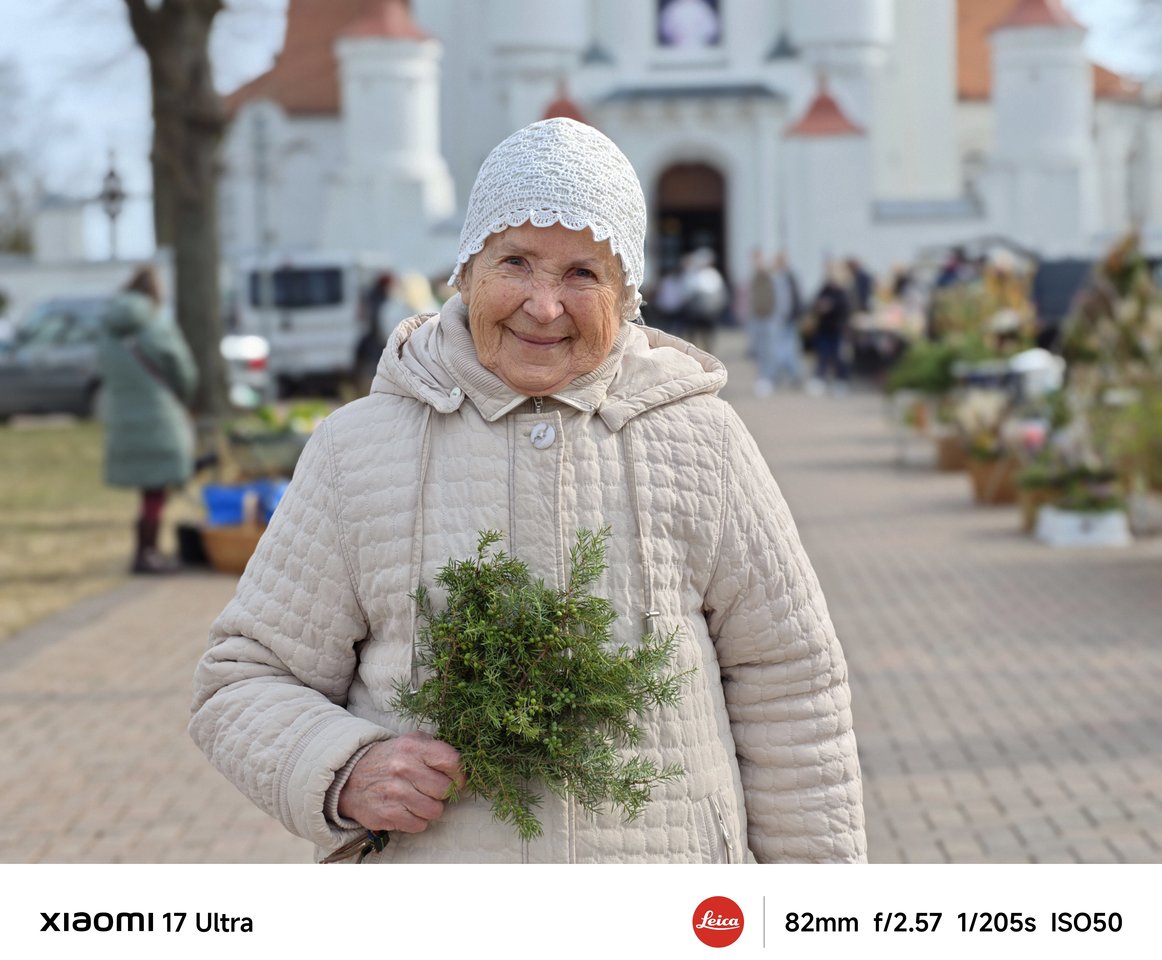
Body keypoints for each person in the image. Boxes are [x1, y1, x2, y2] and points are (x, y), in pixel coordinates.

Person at [190, 117, 865, 864]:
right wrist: (342, 768)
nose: (544, 306)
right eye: (516, 262)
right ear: (467, 271)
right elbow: (243, 679)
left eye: (583, 273)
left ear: (627, 293)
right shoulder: (358, 450)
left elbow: (793, 691)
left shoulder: (703, 443)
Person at [98, 265, 198, 573]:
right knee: (157, 487)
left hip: (123, 419)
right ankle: (147, 553)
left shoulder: (108, 328)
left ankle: (144, 551)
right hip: (159, 417)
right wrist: (186, 395)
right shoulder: (156, 324)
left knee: (148, 488)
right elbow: (183, 370)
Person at [809, 260, 853, 395]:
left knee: (838, 357)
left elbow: (846, 310)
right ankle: (819, 380)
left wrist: (831, 307)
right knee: (822, 356)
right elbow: (814, 304)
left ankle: (841, 381)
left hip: (837, 329)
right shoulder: (824, 289)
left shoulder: (843, 292)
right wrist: (820, 307)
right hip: (824, 328)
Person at [679, 246, 728, 355]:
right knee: (694, 336)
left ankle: (707, 353)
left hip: (708, 312)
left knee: (707, 337)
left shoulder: (711, 274)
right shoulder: (693, 274)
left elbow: (719, 295)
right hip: (695, 313)